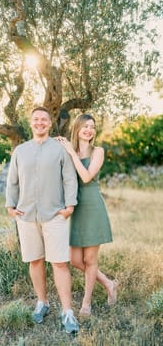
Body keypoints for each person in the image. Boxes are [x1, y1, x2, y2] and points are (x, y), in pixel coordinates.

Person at [5, 107, 80, 333]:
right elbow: (12, 181)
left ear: (50, 123)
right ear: (31, 123)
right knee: (35, 261)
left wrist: (69, 206)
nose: (40, 123)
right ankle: (42, 303)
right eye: (36, 119)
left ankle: (67, 312)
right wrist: (10, 205)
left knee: (59, 262)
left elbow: (69, 178)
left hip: (54, 214)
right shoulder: (20, 151)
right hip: (26, 215)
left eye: (44, 120)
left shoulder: (59, 149)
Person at [57, 113, 118, 316]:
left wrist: (71, 153)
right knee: (74, 260)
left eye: (92, 127)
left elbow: (85, 177)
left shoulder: (97, 151)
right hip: (76, 208)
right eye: (85, 126)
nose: (89, 130)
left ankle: (86, 303)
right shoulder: (69, 151)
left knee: (90, 260)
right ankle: (109, 283)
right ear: (77, 129)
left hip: (92, 207)